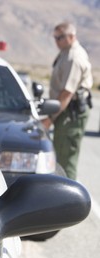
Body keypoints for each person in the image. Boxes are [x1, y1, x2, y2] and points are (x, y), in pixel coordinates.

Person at [42, 22, 93, 180]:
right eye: (55, 37)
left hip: (70, 113)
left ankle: (70, 202)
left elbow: (66, 94)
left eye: (60, 37)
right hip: (64, 111)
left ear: (71, 36)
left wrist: (50, 119)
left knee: (65, 161)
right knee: (59, 156)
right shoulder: (66, 52)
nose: (57, 41)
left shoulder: (73, 57)